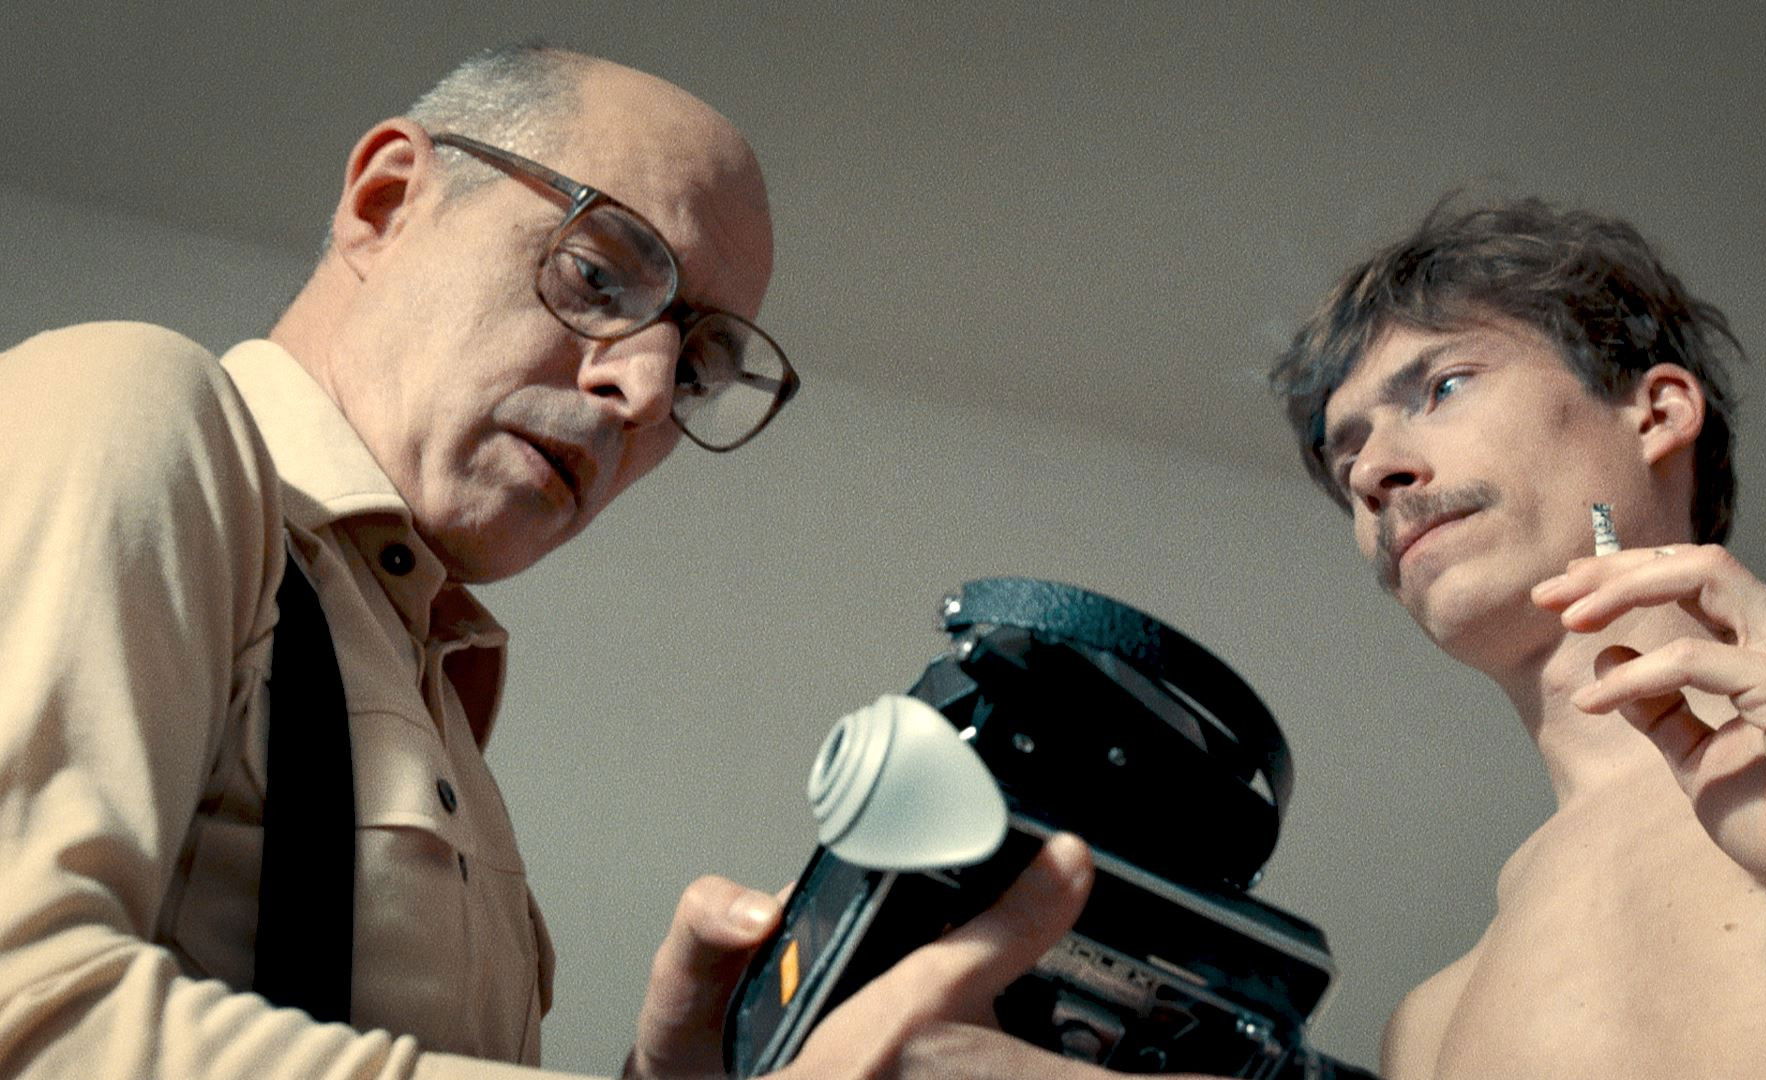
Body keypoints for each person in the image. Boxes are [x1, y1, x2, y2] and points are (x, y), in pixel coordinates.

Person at [0, 44, 1112, 1080]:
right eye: (599, 275)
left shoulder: (436, 688)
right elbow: (29, 1013)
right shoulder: (134, 404)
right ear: (386, 203)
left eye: (698, 367)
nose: (645, 390)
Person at [1268, 196, 1766, 1077]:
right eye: (1348, 462)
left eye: (1443, 387)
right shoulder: (1426, 1029)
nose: (1376, 474)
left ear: (1656, 414)